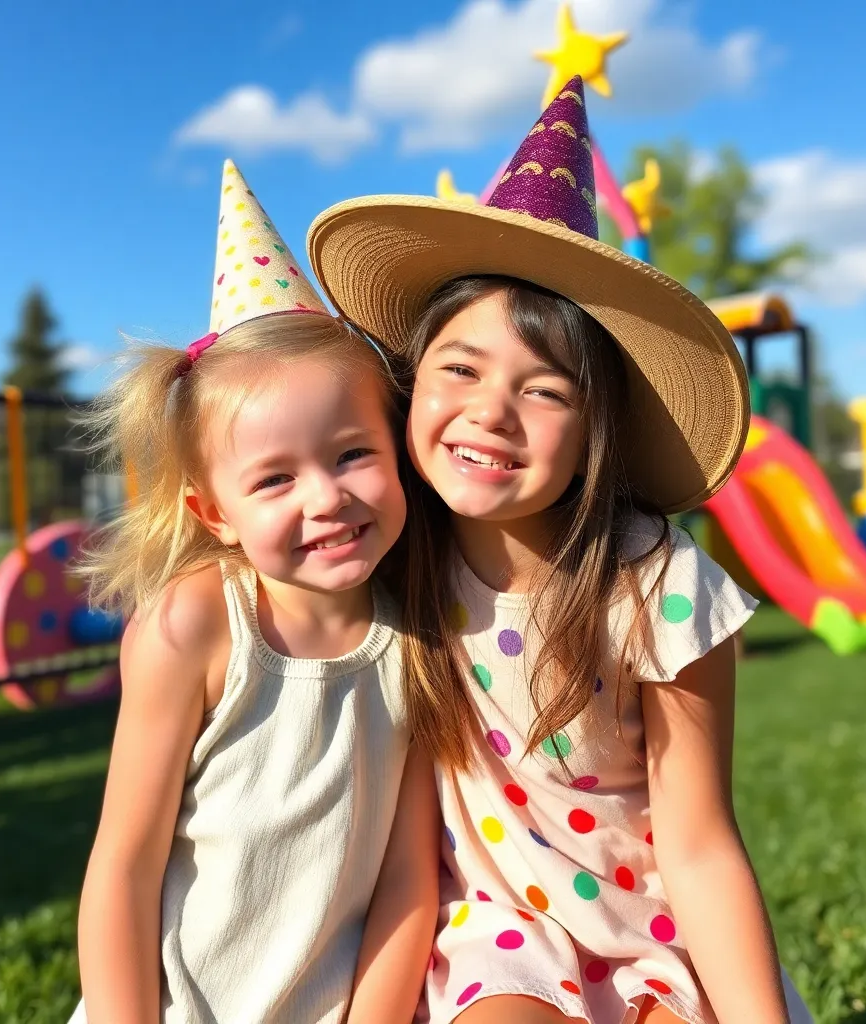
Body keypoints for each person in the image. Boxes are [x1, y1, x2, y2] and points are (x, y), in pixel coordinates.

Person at [308, 77, 813, 1024]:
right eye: (459, 368)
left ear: (597, 433)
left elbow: (701, 844)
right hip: (496, 928)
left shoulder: (659, 585)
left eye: (546, 390)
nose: (491, 410)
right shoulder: (398, 559)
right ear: (414, 385)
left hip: (660, 932)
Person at [70, 159, 438, 1024]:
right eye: (274, 479)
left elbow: (409, 880)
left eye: (352, 453)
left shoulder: (423, 634)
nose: (327, 497)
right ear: (215, 512)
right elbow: (124, 863)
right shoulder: (194, 626)